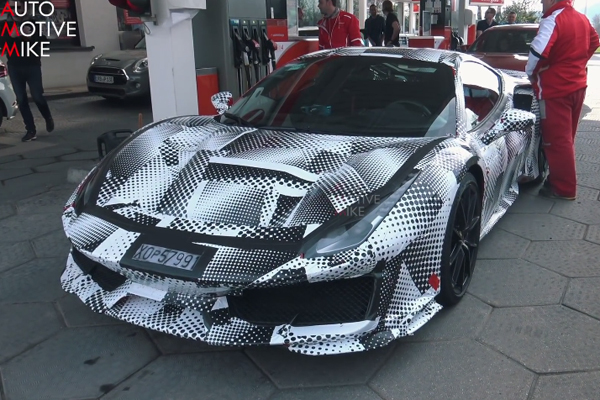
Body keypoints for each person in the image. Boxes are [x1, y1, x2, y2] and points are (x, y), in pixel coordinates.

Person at [525, 0, 599, 200]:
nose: (541, 2)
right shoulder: (581, 18)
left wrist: (531, 74)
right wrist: (576, 63)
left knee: (556, 141)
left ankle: (563, 188)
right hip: (577, 86)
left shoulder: (553, 19)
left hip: (555, 90)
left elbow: (537, 53)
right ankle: (559, 179)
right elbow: (594, 41)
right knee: (567, 138)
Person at [0, 0, 54, 142]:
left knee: (37, 96)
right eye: (12, 8)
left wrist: (30, 38)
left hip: (32, 66)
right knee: (21, 99)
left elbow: (44, 44)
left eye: (19, 7)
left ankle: (48, 117)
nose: (16, 10)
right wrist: (10, 37)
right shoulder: (5, 25)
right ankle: (30, 130)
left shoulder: (34, 23)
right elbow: (2, 46)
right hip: (15, 66)